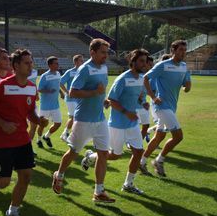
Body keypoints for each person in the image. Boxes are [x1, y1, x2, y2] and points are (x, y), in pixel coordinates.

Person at [0, 49, 47, 216]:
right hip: (3, 142)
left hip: (22, 140)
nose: (31, 66)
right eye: (27, 63)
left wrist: (38, 120)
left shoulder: (31, 87)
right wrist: (2, 124)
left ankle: (12, 211)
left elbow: (30, 111)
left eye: (31, 62)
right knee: (3, 182)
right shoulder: (2, 86)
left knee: (26, 176)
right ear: (16, 66)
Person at [52, 38, 114, 205]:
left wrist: (104, 99)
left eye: (107, 53)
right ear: (92, 52)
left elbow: (101, 90)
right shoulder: (84, 69)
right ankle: (59, 175)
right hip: (84, 119)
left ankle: (99, 191)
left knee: (103, 154)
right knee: (73, 152)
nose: (105, 56)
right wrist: (94, 92)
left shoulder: (104, 68)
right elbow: (73, 92)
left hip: (100, 119)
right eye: (102, 52)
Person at [83, 49, 149, 194]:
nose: (144, 64)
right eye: (141, 61)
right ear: (133, 62)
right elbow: (112, 100)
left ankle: (128, 184)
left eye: (145, 61)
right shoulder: (122, 79)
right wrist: (126, 112)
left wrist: (142, 102)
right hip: (118, 125)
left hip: (132, 124)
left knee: (139, 152)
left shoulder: (141, 78)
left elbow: (136, 97)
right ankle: (90, 158)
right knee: (114, 155)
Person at [140, 40, 192, 177]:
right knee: (178, 136)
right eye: (181, 50)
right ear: (173, 51)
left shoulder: (184, 66)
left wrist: (187, 86)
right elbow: (145, 78)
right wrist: (153, 97)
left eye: (185, 50)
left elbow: (186, 84)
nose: (183, 53)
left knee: (159, 136)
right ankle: (159, 160)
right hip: (162, 106)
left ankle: (141, 161)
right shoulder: (162, 65)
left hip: (172, 106)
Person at [36, 56, 62, 148]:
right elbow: (39, 89)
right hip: (45, 106)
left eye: (58, 63)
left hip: (55, 105)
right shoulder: (45, 76)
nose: (58, 65)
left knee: (58, 124)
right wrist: (49, 91)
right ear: (50, 65)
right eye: (56, 63)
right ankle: (38, 140)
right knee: (42, 125)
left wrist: (61, 92)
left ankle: (46, 136)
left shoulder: (58, 74)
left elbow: (58, 85)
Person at [59, 54, 84, 143]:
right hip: (71, 98)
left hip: (80, 98)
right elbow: (60, 82)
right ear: (76, 62)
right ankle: (65, 134)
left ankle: (70, 135)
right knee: (73, 117)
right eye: (81, 60)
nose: (82, 62)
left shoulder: (83, 71)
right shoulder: (70, 72)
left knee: (76, 117)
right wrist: (66, 92)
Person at [137, 55, 155, 141]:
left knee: (146, 125)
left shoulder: (148, 77)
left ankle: (138, 144)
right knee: (133, 127)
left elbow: (146, 91)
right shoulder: (139, 76)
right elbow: (135, 93)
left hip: (143, 105)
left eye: (153, 65)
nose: (152, 67)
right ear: (145, 64)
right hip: (134, 106)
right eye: (150, 65)